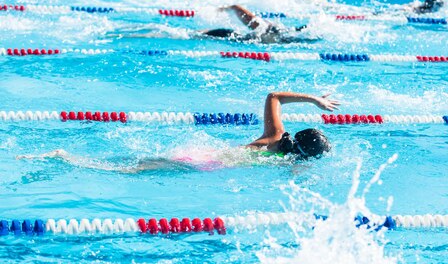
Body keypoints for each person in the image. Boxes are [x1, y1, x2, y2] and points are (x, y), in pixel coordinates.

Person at [17, 92, 338, 173]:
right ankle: (66, 158)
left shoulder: (277, 135)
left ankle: (69, 158)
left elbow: (274, 97)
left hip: (206, 156)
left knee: (133, 166)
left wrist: (314, 100)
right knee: (127, 170)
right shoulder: (276, 148)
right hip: (203, 163)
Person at [201, 4, 310, 44]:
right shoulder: (263, 28)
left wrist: (219, 10)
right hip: (242, 37)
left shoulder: (264, 29)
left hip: (240, 38)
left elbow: (236, 7)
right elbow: (236, 7)